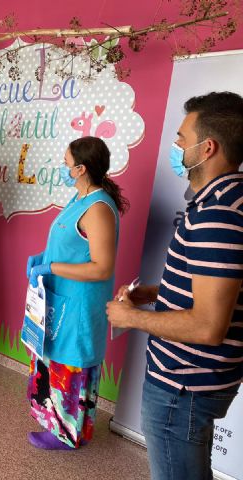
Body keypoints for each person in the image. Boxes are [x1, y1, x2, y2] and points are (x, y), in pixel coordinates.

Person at [107, 91, 243, 480]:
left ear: (208, 147)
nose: (177, 146)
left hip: (182, 388)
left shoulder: (218, 214)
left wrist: (131, 317)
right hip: (190, 385)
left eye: (182, 138)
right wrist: (153, 293)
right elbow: (211, 285)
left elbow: (207, 326)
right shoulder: (225, 201)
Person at [25, 136, 129, 450]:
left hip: (80, 306)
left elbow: (101, 268)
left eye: (67, 163)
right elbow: (70, 246)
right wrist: (42, 259)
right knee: (55, 361)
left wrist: (52, 267)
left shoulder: (98, 208)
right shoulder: (79, 199)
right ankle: (55, 423)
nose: (63, 167)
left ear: (81, 169)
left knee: (71, 365)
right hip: (60, 300)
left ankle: (67, 433)